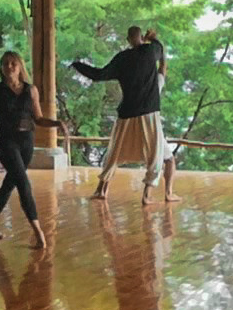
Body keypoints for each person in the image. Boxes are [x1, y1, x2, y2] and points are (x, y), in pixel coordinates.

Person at [0, 51, 67, 248]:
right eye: (5, 63)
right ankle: (38, 232)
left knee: (10, 182)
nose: (9, 66)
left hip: (26, 142)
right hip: (7, 142)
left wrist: (57, 123)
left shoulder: (31, 90)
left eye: (13, 63)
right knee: (23, 183)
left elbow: (38, 119)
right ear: (1, 68)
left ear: (20, 67)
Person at [73, 26, 179, 204]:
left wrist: (78, 65)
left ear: (128, 39)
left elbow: (99, 75)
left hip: (127, 113)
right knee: (158, 155)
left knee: (114, 153)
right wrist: (152, 39)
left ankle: (101, 190)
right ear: (140, 37)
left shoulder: (122, 58)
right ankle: (151, 194)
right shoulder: (150, 52)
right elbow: (162, 64)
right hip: (149, 113)